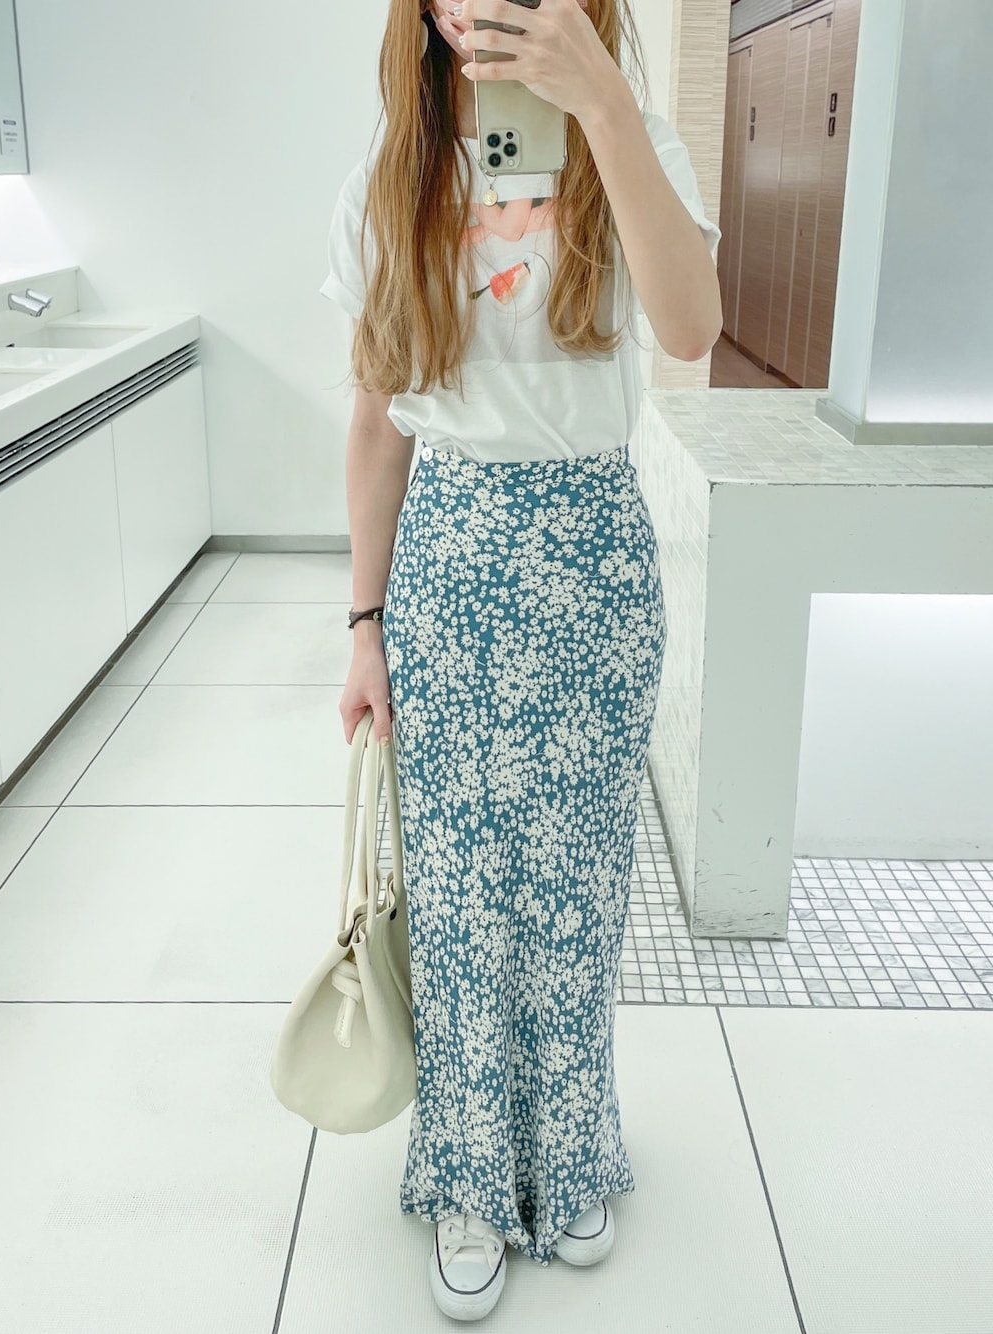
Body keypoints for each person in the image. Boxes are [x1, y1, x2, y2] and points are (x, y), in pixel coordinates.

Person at [322, 0, 722, 1320]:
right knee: (456, 888)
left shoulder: (633, 141)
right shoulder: (394, 172)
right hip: (449, 555)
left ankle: (572, 1150)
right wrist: (365, 625)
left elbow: (690, 329)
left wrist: (603, 106)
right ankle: (471, 1176)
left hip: (594, 554)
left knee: (580, 882)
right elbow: (377, 420)